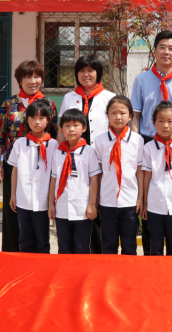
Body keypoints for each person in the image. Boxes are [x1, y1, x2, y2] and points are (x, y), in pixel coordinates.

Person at [131, 30, 172, 254]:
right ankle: (152, 258)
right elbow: (136, 115)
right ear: (154, 51)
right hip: (148, 142)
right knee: (151, 204)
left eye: (171, 48)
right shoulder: (141, 80)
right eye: (162, 47)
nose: (166, 52)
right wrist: (137, 144)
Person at [0, 60, 58, 252]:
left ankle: (39, 254)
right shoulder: (9, 104)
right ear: (19, 80)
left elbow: (55, 134)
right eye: (28, 77)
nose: (33, 81)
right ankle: (12, 253)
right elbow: (1, 134)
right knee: (12, 210)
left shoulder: (48, 104)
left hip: (42, 166)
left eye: (37, 76)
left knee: (39, 214)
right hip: (15, 166)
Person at [58, 54, 115, 254]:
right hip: (75, 159)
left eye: (91, 70)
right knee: (80, 203)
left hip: (101, 158)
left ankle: (97, 254)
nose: (86, 74)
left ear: (98, 73)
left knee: (98, 204)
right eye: (81, 71)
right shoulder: (69, 97)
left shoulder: (109, 97)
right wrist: (60, 153)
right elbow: (61, 128)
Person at [95, 96, 144, 255]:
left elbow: (139, 171)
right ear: (107, 115)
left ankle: (128, 271)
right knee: (108, 244)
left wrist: (140, 198)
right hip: (107, 200)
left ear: (130, 116)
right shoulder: (100, 140)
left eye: (122, 113)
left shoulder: (137, 140)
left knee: (129, 244)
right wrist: (97, 198)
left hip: (130, 200)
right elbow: (99, 172)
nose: (118, 117)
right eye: (113, 113)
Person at [8, 101, 58, 254]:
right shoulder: (20, 143)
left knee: (42, 240)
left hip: (43, 201)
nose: (37, 122)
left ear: (48, 120)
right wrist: (13, 194)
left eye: (41, 118)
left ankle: (42, 267)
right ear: (27, 120)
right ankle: (25, 266)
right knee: (25, 239)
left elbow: (55, 176)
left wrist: (52, 201)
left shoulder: (54, 145)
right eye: (33, 118)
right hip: (23, 199)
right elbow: (15, 170)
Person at [141, 101, 172, 256]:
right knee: (155, 247)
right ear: (153, 123)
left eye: (170, 121)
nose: (165, 125)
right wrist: (145, 204)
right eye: (160, 121)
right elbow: (146, 177)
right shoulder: (148, 148)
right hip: (155, 204)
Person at [48, 109, 101, 254]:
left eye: (76, 125)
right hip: (62, 208)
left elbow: (94, 179)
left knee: (82, 247)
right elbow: (54, 179)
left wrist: (92, 205)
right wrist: (51, 204)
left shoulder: (89, 152)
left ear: (84, 128)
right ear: (61, 129)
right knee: (63, 246)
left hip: (82, 208)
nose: (71, 129)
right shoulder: (58, 153)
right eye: (67, 126)